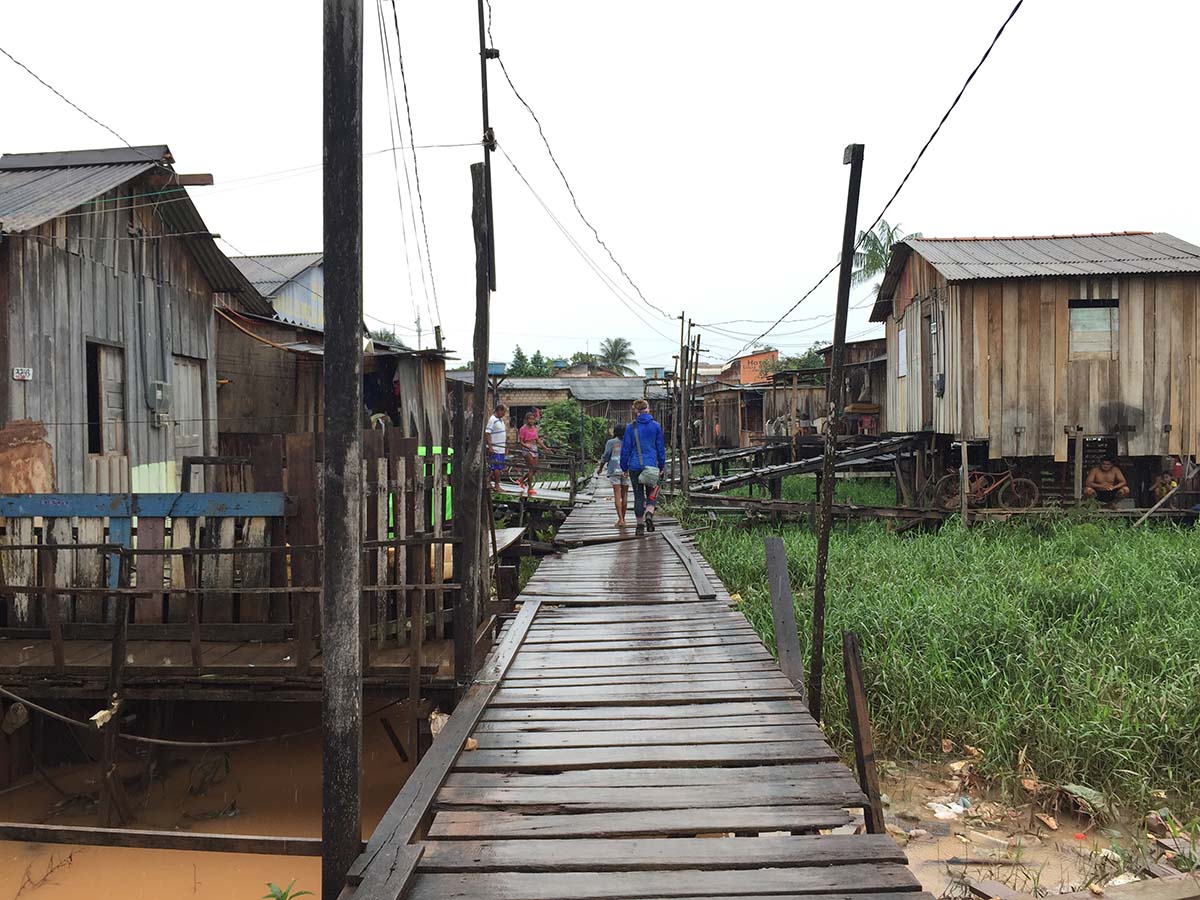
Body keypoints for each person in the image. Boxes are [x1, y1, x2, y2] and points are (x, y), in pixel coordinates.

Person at [620, 399, 665, 536]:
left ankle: (639, 526)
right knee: (652, 494)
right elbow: (660, 448)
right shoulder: (656, 426)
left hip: (634, 466)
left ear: (636, 411)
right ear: (648, 409)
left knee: (638, 496)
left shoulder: (630, 427)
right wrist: (661, 465)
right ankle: (649, 514)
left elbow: (625, 449)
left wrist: (624, 467)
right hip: (651, 466)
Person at [597, 425, 630, 526]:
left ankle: (620, 519)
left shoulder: (611, 442)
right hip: (626, 471)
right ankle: (623, 518)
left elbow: (605, 456)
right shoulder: (628, 442)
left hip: (614, 470)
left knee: (617, 494)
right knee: (625, 495)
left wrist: (600, 468)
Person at [517, 411, 550, 496]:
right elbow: (520, 441)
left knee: (535, 469)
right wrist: (527, 446)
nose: (531, 421)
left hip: (534, 447)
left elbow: (537, 440)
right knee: (531, 468)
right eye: (530, 419)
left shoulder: (534, 428)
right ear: (526, 420)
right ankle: (530, 488)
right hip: (526, 449)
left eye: (533, 419)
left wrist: (545, 448)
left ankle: (521, 479)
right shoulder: (523, 429)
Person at [485, 403, 508, 491]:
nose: (504, 414)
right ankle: (497, 485)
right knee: (496, 467)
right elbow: (487, 433)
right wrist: (490, 447)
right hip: (495, 448)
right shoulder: (493, 419)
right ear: (499, 410)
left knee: (498, 467)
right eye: (503, 412)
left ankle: (489, 482)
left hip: (501, 448)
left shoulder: (500, 420)